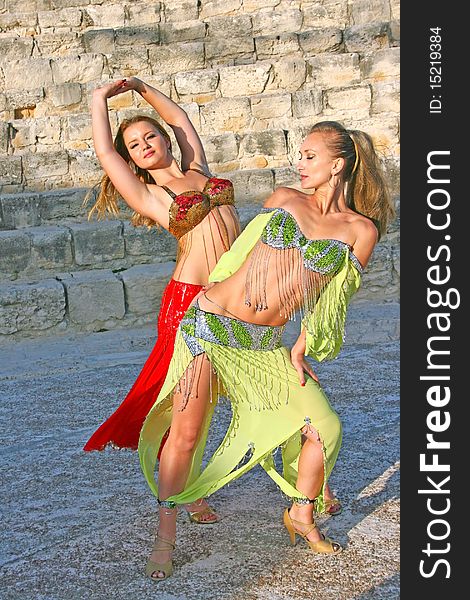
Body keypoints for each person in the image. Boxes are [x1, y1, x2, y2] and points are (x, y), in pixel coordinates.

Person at [137, 120, 395, 580]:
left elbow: (333, 301)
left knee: (325, 426)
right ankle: (164, 536)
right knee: (187, 433)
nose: (299, 162)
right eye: (300, 153)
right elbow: (237, 251)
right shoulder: (283, 199)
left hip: (263, 346)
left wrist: (302, 348)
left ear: (338, 165)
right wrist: (210, 287)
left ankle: (300, 513)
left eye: (310, 155)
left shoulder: (360, 230)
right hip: (211, 327)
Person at [83, 76, 240, 524]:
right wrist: (99, 101)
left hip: (233, 297)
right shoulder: (149, 194)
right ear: (132, 158)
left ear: (164, 139)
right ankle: (182, 489)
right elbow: (104, 154)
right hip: (189, 302)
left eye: (150, 134)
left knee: (219, 396)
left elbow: (181, 118)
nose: (145, 144)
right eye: (134, 144)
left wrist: (140, 87)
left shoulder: (198, 168)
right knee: (186, 402)